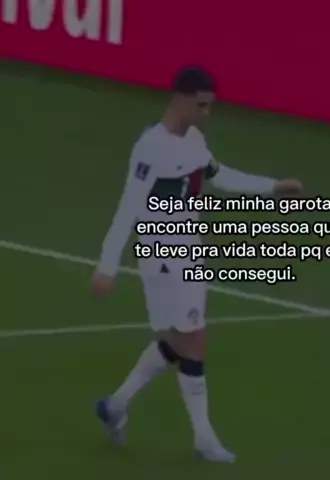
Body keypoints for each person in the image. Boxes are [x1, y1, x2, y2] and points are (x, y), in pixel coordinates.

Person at [91, 66, 302, 463]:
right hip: (162, 256)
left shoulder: (194, 142)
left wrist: (271, 188)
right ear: (181, 98)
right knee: (192, 339)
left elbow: (219, 176)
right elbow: (129, 206)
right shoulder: (150, 147)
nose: (206, 113)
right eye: (202, 105)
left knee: (179, 341)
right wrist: (108, 264)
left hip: (190, 251)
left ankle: (115, 406)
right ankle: (204, 439)